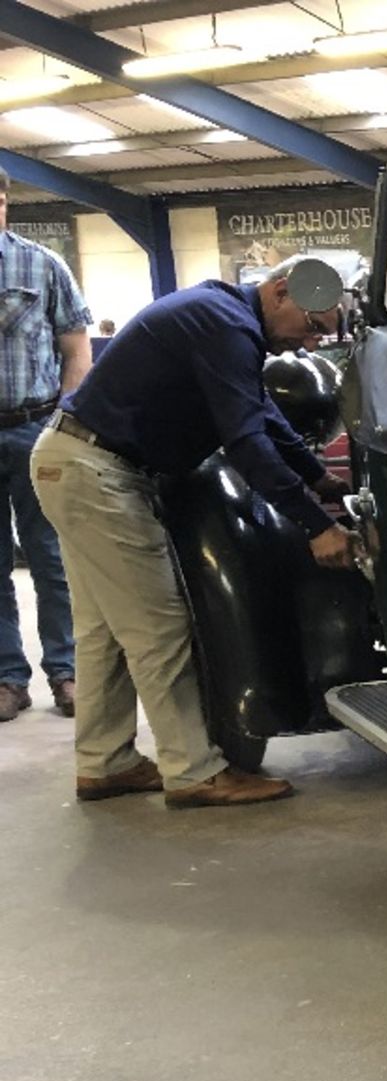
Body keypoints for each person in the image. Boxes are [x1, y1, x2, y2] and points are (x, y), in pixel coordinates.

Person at [29, 256, 353, 808]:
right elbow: (247, 440)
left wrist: (320, 478)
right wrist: (317, 526)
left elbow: (265, 417)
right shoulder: (226, 324)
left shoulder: (224, 317)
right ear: (279, 292)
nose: (313, 345)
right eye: (315, 326)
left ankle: (105, 763)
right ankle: (194, 771)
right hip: (99, 472)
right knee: (160, 629)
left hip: (75, 462)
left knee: (105, 631)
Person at [0, 165, 91, 724]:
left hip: (35, 427)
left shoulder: (42, 264)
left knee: (52, 556)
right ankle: (8, 678)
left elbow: (77, 348)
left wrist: (64, 421)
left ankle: (68, 669)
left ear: (5, 200)